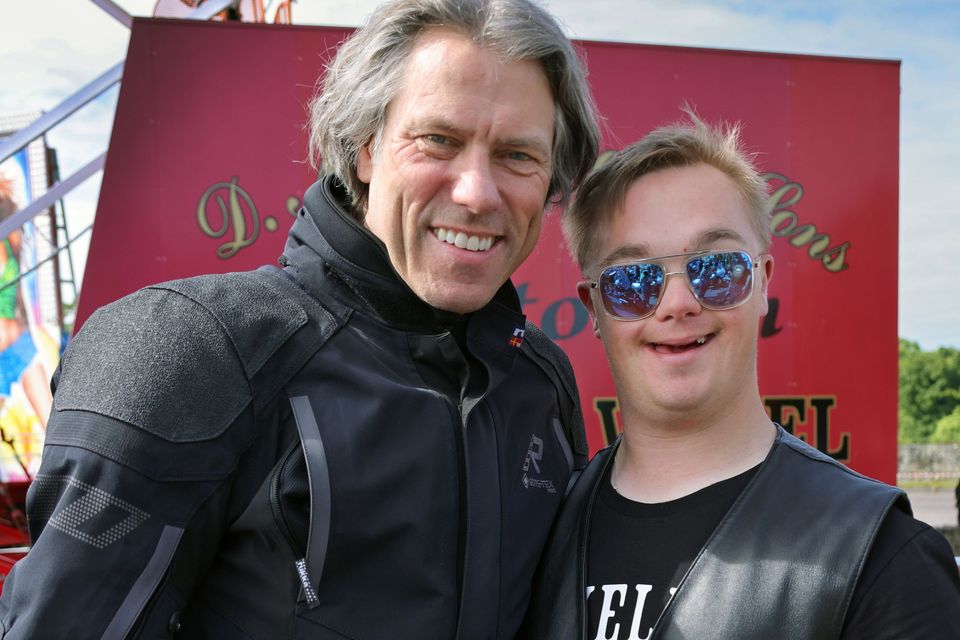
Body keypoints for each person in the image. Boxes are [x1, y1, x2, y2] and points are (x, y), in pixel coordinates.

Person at [0, 0, 600, 636]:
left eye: (517, 156)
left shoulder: (539, 379)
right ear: (365, 148)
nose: (478, 192)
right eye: (438, 140)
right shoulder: (188, 350)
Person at [521, 112, 960, 639]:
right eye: (633, 280)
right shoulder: (535, 532)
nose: (678, 303)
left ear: (762, 284)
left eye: (715, 269)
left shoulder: (881, 557)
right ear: (595, 307)